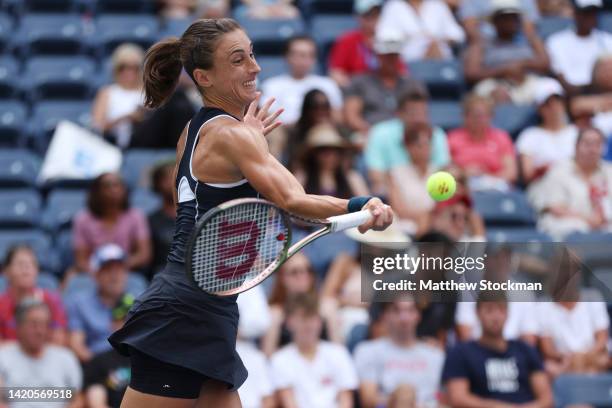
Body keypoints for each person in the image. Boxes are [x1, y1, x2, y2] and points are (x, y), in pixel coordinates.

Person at [108, 18, 393, 408]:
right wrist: (362, 206)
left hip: (206, 306)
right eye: (238, 60)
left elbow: (207, 195)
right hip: (185, 311)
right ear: (204, 77)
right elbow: (294, 200)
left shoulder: (197, 131)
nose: (255, 68)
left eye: (253, 55)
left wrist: (251, 141)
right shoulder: (234, 136)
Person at [442, 292, 554, 407]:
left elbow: (546, 399)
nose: (495, 317)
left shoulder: (525, 350)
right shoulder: (461, 353)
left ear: (507, 313)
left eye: (500, 309)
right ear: (477, 313)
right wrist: (496, 406)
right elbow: (458, 398)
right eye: (489, 310)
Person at [270, 293, 358, 408]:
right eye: (302, 318)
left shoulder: (338, 353)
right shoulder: (279, 359)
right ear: (289, 322)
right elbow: (289, 403)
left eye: (312, 318)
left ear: (320, 321)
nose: (308, 325)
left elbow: (346, 401)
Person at [353, 299, 445, 408]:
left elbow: (445, 398)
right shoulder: (367, 351)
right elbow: (368, 400)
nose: (404, 318)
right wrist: (401, 401)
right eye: (396, 310)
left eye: (410, 310)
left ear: (418, 315)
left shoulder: (436, 354)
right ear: (384, 315)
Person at [365, 86, 450, 196]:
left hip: (430, 194)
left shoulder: (437, 134)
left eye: (423, 113)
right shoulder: (380, 133)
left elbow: (443, 170)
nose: (419, 118)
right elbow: (376, 177)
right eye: (413, 113)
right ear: (399, 114)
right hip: (394, 196)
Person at [530, 127, 612, 239]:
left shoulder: (609, 171)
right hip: (568, 223)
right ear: (576, 146)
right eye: (587, 144)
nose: (592, 149)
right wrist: (587, 219)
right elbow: (555, 207)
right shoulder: (559, 170)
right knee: (576, 227)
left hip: (603, 224)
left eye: (597, 145)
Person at [0, 297, 82, 408]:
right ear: (19, 326)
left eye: (44, 324)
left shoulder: (65, 358)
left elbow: (77, 399)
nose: (40, 331)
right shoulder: (3, 357)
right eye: (33, 324)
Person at [464, 0, 550, 105]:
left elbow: (546, 63)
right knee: (499, 93)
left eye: (514, 17)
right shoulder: (482, 42)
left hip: (527, 81)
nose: (511, 21)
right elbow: (471, 73)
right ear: (495, 21)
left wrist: (522, 65)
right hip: (495, 82)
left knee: (550, 89)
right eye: (505, 17)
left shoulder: (530, 39)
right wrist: (504, 70)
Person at [343, 30, 425, 136]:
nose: (391, 59)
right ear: (378, 55)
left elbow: (421, 115)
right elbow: (351, 117)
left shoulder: (413, 85)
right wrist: (377, 136)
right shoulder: (361, 82)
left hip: (407, 139)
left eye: (394, 55)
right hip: (369, 136)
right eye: (387, 55)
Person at [72, 172, 152, 274]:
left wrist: (116, 268)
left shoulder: (136, 216)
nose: (113, 190)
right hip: (93, 273)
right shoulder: (82, 219)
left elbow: (144, 254)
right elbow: (81, 259)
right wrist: (100, 271)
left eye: (117, 185)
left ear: (124, 190)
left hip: (127, 271)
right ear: (97, 192)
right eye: (107, 186)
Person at [67, 244, 135, 363]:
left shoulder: (137, 303)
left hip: (131, 365)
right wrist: (101, 367)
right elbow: (76, 345)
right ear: (95, 275)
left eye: (119, 269)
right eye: (108, 270)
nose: (115, 276)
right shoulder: (80, 304)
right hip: (98, 364)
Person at [261, 35, 343, 124]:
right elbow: (265, 114)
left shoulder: (327, 84)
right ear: (287, 57)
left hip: (316, 129)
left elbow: (337, 117)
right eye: (299, 55)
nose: (304, 60)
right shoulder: (271, 85)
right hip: (282, 129)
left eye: (310, 55)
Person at [447, 94, 518, 190]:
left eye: (484, 115)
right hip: (463, 185)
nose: (480, 120)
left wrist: (489, 178)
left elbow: (511, 172)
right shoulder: (453, 138)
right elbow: (446, 169)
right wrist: (463, 173)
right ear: (465, 116)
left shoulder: (501, 137)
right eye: (476, 116)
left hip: (495, 186)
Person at [516, 77, 578, 186]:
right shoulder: (529, 136)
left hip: (575, 184)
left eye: (558, 101)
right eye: (547, 104)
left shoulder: (577, 132)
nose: (554, 107)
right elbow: (528, 175)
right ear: (539, 108)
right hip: (545, 185)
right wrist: (544, 170)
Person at [0, 245, 67, 345]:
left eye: (31, 264)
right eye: (20, 264)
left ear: (37, 271)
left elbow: (59, 340)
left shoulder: (51, 300)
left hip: (44, 356)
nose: (26, 269)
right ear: (6, 271)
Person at [547, 0, 612, 93]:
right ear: (575, 13)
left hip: (606, 93)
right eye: (586, 12)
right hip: (574, 97)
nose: (590, 17)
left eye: (593, 12)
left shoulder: (608, 40)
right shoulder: (556, 42)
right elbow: (564, 82)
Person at [92, 43, 145, 148]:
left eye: (133, 67)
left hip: (143, 139)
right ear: (116, 70)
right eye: (123, 67)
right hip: (113, 141)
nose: (128, 72)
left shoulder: (148, 93)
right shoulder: (107, 92)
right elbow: (97, 127)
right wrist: (125, 118)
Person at [377, 0, 465, 62]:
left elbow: (458, 35)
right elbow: (384, 41)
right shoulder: (394, 6)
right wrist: (414, 39)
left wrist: (438, 40)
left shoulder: (436, 5)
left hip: (440, 63)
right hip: (409, 64)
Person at [83, 297, 132, 408]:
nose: (128, 325)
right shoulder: (98, 362)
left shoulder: (154, 360)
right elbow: (97, 404)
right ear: (112, 324)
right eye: (123, 319)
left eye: (133, 320)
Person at [297, 123, 369, 198]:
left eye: (335, 151)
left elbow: (367, 203)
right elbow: (295, 201)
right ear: (314, 154)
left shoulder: (352, 177)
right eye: (324, 151)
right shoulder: (303, 177)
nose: (331, 156)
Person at [328, 0, 384, 88]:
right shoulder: (347, 40)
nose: (372, 19)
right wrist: (354, 88)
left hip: (383, 91)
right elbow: (335, 73)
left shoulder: (388, 39)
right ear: (358, 16)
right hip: (356, 91)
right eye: (368, 15)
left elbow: (401, 72)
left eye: (376, 15)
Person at [459, 0, 540, 43]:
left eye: (512, 17)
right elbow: (470, 29)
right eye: (504, 18)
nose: (508, 21)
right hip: (487, 50)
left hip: (520, 45)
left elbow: (530, 31)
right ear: (494, 21)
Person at [147, 161, 177, 278]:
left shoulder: (197, 216)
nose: (175, 182)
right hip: (163, 276)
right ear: (157, 184)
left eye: (178, 176)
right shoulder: (150, 220)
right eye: (169, 178)